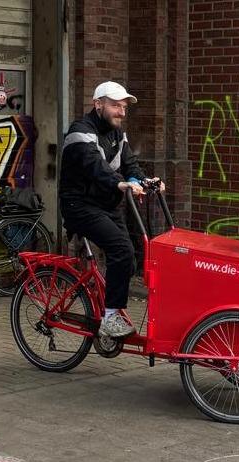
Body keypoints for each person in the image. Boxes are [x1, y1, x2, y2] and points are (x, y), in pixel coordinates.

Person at [59, 81, 164, 338]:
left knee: (129, 259)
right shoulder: (80, 132)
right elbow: (95, 166)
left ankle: (105, 302)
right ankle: (110, 317)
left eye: (124, 107)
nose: (122, 112)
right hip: (79, 205)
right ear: (98, 104)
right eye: (116, 106)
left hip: (105, 205)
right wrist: (119, 183)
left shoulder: (117, 134)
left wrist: (145, 181)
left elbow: (130, 165)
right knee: (121, 250)